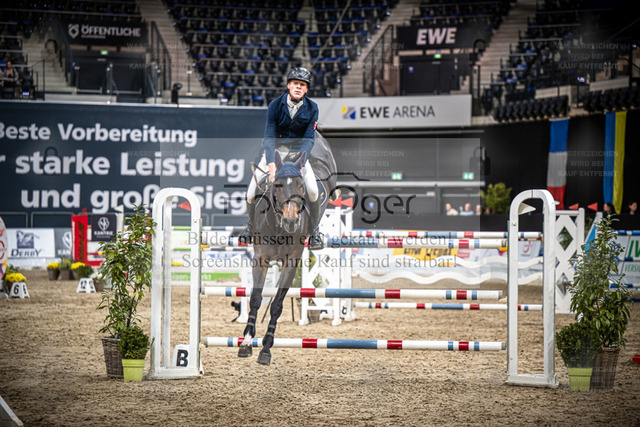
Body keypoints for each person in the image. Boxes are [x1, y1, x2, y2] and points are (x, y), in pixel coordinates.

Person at [240, 66, 324, 249]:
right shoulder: (275, 105)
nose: (298, 87)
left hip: (298, 155)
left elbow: (309, 139)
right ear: (288, 85)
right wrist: (271, 165)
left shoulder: (313, 108)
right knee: (251, 192)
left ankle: (315, 232)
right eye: (295, 83)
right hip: (275, 153)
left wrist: (300, 164)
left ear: (306, 89)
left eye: (302, 85)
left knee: (312, 190)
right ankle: (250, 226)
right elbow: (269, 137)